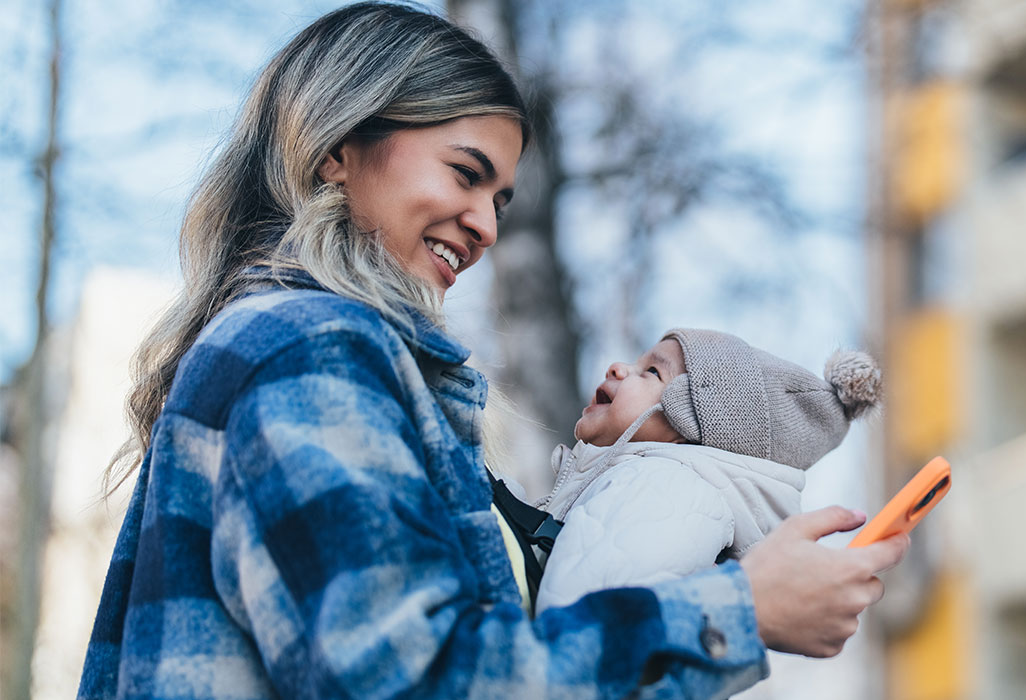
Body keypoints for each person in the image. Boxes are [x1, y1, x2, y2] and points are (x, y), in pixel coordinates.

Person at [78, 3, 908, 699]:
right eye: (465, 172)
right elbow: (417, 678)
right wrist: (740, 614)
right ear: (337, 146)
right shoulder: (309, 348)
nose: (485, 225)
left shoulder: (333, 355)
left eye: (500, 199)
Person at [519, 330, 882, 611]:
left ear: (692, 423)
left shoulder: (665, 491)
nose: (617, 367)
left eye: (651, 371)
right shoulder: (659, 489)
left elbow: (586, 629)